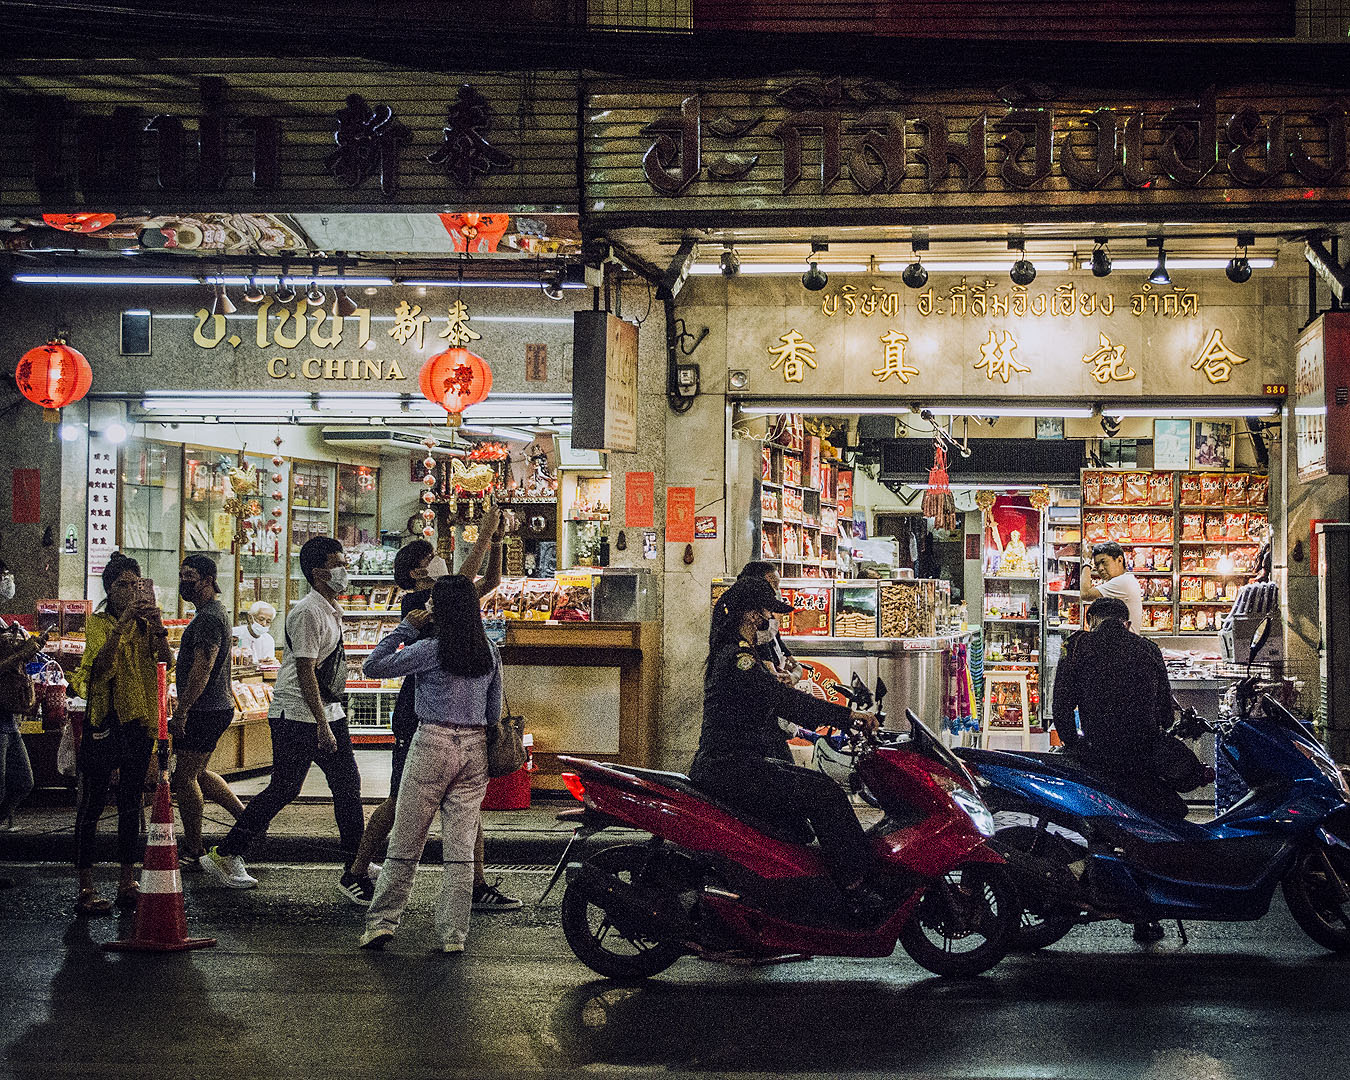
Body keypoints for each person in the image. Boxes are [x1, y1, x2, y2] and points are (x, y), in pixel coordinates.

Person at [345, 506, 518, 910]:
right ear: (416, 575)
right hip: (419, 719)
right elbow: (464, 580)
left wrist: (497, 542)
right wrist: (486, 532)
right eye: (429, 561)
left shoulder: (451, 599)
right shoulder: (421, 603)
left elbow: (487, 580)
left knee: (467, 812)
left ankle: (475, 884)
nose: (437, 563)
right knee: (397, 803)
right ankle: (357, 872)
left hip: (453, 729)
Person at [690, 576, 887, 922]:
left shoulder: (741, 655)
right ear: (752, 615)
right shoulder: (740, 659)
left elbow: (777, 697)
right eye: (768, 612)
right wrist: (850, 717)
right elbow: (786, 702)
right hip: (732, 768)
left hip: (741, 763)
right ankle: (856, 888)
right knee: (826, 794)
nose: (772, 620)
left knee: (804, 812)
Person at [202, 536, 368, 897]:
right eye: (338, 563)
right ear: (317, 572)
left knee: (347, 786)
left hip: (326, 710)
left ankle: (356, 864)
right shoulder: (307, 611)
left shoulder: (327, 608)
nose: (344, 570)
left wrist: (328, 718)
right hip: (298, 714)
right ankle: (227, 853)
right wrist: (322, 725)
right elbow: (306, 672)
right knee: (285, 787)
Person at [356, 574, 503, 952]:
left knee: (407, 840)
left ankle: (382, 924)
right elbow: (493, 712)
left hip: (432, 742)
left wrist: (405, 627)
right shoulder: (488, 650)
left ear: (439, 608)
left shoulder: (431, 649)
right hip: (475, 750)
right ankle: (453, 935)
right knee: (461, 848)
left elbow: (373, 666)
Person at [1052, 595, 1184, 944]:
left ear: (1092, 620)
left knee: (1097, 827)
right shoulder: (1149, 650)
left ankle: (1096, 888)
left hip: (1098, 756)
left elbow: (1061, 710)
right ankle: (1145, 915)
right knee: (1144, 829)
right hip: (1142, 758)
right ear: (1126, 622)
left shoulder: (1076, 649)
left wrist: (1078, 748)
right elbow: (1166, 715)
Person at [68, 552, 174, 915]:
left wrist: (156, 620)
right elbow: (100, 666)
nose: (129, 591)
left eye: (135, 584)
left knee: (131, 804)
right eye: (122, 585)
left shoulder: (147, 623)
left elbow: (166, 660)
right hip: (105, 721)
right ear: (109, 590)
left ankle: (128, 881)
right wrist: (122, 622)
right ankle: (86, 886)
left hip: (139, 722)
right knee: (93, 805)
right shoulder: (98, 623)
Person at [170, 555, 246, 867]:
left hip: (204, 709)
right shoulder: (210, 614)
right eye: (182, 575)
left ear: (207, 579)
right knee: (198, 772)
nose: (183, 582)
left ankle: (194, 847)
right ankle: (249, 821)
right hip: (214, 706)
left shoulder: (209, 619)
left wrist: (183, 709)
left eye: (190, 576)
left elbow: (203, 668)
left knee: (184, 778)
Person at [731, 561, 803, 686]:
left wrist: (795, 673)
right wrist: (789, 675)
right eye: (774, 584)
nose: (777, 591)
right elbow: (774, 682)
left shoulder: (769, 627)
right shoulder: (742, 646)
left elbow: (793, 663)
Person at [0, 617, 40, 837]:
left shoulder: (4, 623)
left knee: (23, 781)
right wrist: (20, 655)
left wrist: (27, 648)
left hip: (8, 718)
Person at [1079, 540, 1144, 633]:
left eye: (1104, 562)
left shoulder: (1122, 582)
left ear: (1120, 560)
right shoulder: (1125, 579)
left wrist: (1086, 562)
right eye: (1097, 565)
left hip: (1124, 644)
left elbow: (1085, 594)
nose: (1100, 568)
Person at [233, 601, 277, 665]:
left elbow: (269, 663)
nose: (264, 624)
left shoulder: (269, 639)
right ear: (250, 618)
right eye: (261, 619)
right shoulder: (235, 633)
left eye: (268, 621)